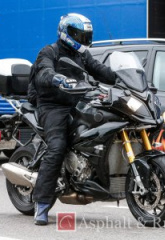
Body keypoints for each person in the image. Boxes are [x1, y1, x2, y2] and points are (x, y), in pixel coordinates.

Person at [29, 13, 116, 225]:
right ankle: (41, 204)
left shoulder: (82, 56)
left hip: (78, 102)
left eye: (86, 36)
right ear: (66, 33)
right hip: (52, 106)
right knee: (57, 146)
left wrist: (120, 76)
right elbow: (43, 73)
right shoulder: (49, 52)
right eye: (80, 35)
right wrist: (56, 78)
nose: (84, 40)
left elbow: (98, 69)